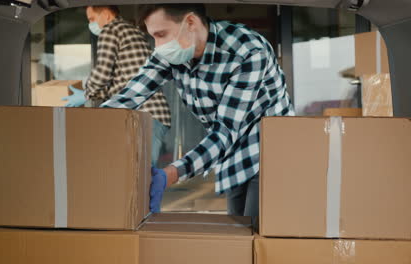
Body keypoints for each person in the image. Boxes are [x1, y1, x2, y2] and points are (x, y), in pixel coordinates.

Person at [102, 4, 295, 215]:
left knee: (258, 234)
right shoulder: (174, 51)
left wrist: (170, 174)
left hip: (268, 151)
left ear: (191, 23)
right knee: (237, 231)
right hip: (231, 154)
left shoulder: (247, 51)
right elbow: (132, 93)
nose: (157, 46)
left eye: (161, 34)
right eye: (153, 37)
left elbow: (225, 130)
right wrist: (89, 122)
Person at [63, 5, 171, 165]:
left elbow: (102, 73)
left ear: (106, 14)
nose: (90, 24)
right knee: (135, 174)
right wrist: (92, 94)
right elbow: (119, 82)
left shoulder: (111, 30)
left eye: (92, 19)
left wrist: (86, 94)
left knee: (141, 175)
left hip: (144, 113)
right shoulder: (132, 31)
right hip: (148, 113)